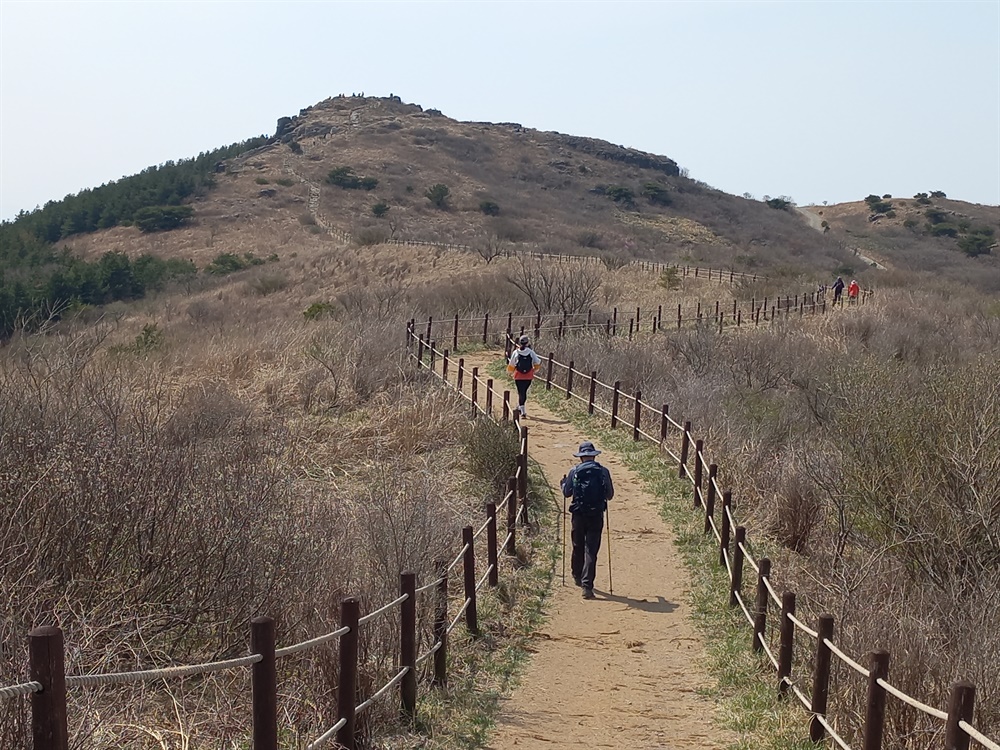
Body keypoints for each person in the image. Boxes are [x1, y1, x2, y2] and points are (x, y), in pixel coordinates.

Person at [560, 441, 614, 600]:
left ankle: (576, 574)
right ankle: (587, 586)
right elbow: (610, 495)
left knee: (578, 545)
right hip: (596, 514)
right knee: (591, 550)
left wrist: (562, 484)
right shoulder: (603, 471)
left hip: (578, 514)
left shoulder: (574, 471)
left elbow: (567, 493)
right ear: (594, 456)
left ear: (581, 457)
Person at [506, 335, 541, 418]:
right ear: (527, 342)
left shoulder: (516, 352)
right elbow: (537, 362)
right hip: (528, 375)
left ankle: (523, 412)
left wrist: (510, 372)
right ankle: (520, 407)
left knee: (521, 392)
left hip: (518, 375)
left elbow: (512, 364)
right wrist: (534, 370)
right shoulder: (531, 352)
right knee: (524, 392)